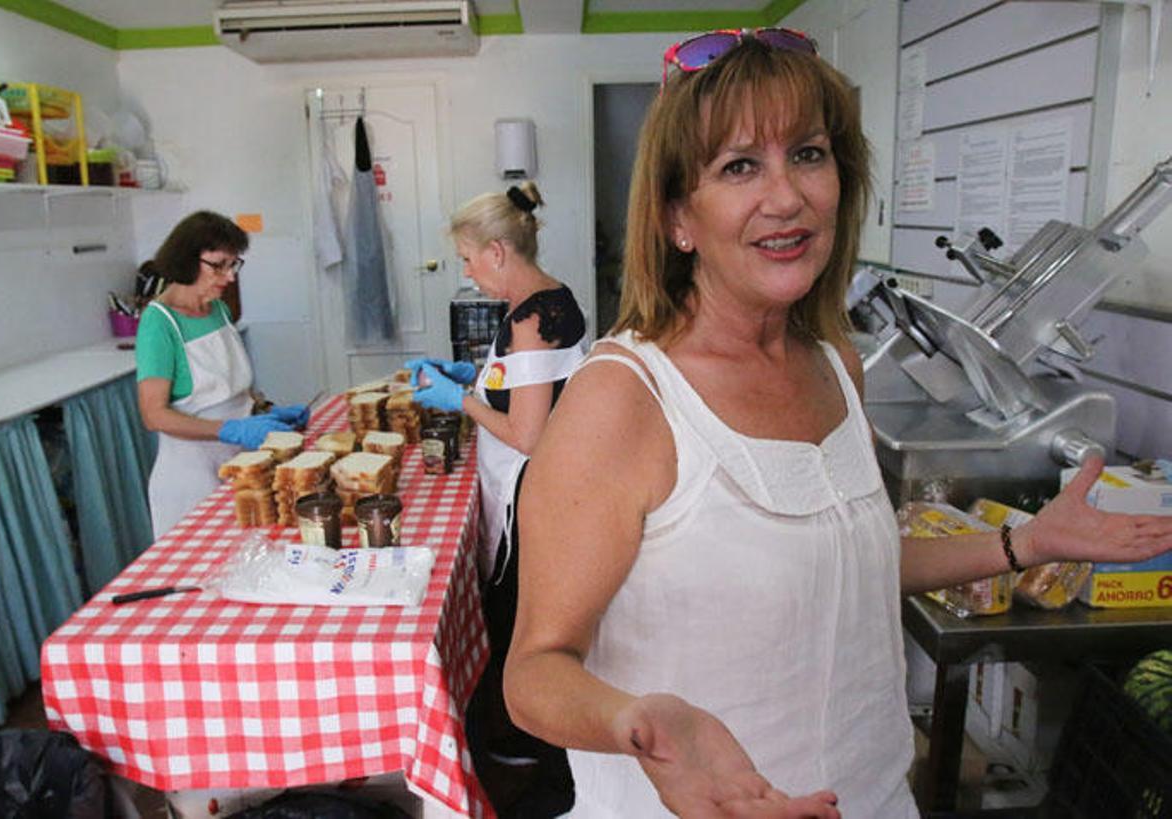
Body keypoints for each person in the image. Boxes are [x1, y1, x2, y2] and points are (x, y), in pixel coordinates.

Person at [503, 30, 1172, 819]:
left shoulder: (834, 365)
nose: (786, 197)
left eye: (809, 154)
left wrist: (1024, 543)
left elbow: (850, 565)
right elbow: (535, 671)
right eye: (740, 166)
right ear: (679, 216)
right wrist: (635, 721)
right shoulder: (625, 397)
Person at [406, 181, 587, 818]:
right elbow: (521, 385)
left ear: (499, 251)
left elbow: (529, 432)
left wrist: (461, 400)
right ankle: (526, 744)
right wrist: (478, 377)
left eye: (468, 258)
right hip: (541, 495)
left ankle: (534, 767)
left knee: (516, 629)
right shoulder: (550, 298)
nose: (467, 271)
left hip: (527, 502)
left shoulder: (530, 320)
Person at [136, 211, 308, 539]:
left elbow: (232, 387)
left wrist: (265, 411)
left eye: (234, 265)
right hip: (191, 477)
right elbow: (154, 415)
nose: (229, 277)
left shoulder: (218, 309)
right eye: (220, 265)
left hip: (241, 464)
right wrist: (230, 429)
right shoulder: (159, 324)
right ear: (187, 259)